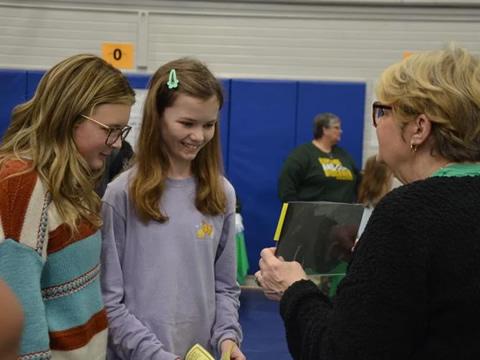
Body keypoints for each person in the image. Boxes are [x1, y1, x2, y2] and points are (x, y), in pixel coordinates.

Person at [256, 44, 480, 359]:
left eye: (382, 111)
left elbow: (342, 352)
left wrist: (294, 289)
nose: (376, 124)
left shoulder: (408, 212)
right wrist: (378, 260)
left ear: (419, 127)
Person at [100, 57, 244, 360]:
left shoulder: (222, 194)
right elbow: (109, 302)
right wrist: (154, 354)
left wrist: (228, 336)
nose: (199, 136)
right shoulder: (120, 194)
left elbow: (226, 287)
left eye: (209, 125)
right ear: (157, 117)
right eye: (187, 123)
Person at [0, 54, 135, 359]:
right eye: (110, 129)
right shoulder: (21, 182)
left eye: (122, 131)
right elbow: (20, 313)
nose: (116, 143)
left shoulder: (71, 180)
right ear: (69, 118)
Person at [278, 112, 360, 203]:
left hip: (343, 214)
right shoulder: (302, 155)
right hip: (311, 214)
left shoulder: (344, 155)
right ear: (324, 129)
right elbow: (287, 187)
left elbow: (359, 183)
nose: (341, 131)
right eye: (336, 128)